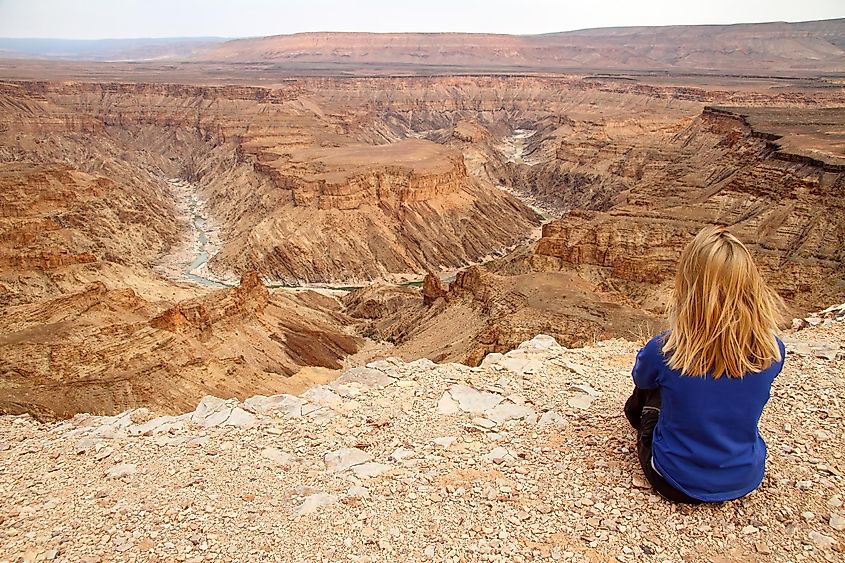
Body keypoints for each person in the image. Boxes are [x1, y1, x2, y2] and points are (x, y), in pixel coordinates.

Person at [624, 225, 786, 503]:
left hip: (672, 479)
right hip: (744, 477)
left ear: (689, 284)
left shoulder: (667, 351)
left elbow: (641, 378)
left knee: (651, 388)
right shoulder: (772, 350)